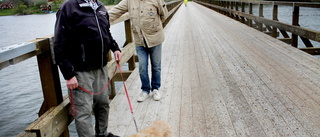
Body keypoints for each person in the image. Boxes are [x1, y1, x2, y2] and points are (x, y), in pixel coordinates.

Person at [53, 0, 122, 136]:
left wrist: (115, 47)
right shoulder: (69, 7)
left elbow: (106, 31)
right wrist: (68, 74)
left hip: (101, 67)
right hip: (80, 70)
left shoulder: (100, 7)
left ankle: (102, 134)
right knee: (83, 112)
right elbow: (59, 43)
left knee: (103, 104)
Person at [108, 0, 168, 102]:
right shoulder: (129, 1)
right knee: (142, 67)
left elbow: (164, 15)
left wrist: (154, 27)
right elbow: (115, 12)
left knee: (156, 66)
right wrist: (96, 19)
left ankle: (155, 88)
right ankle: (145, 90)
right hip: (139, 40)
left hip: (155, 38)